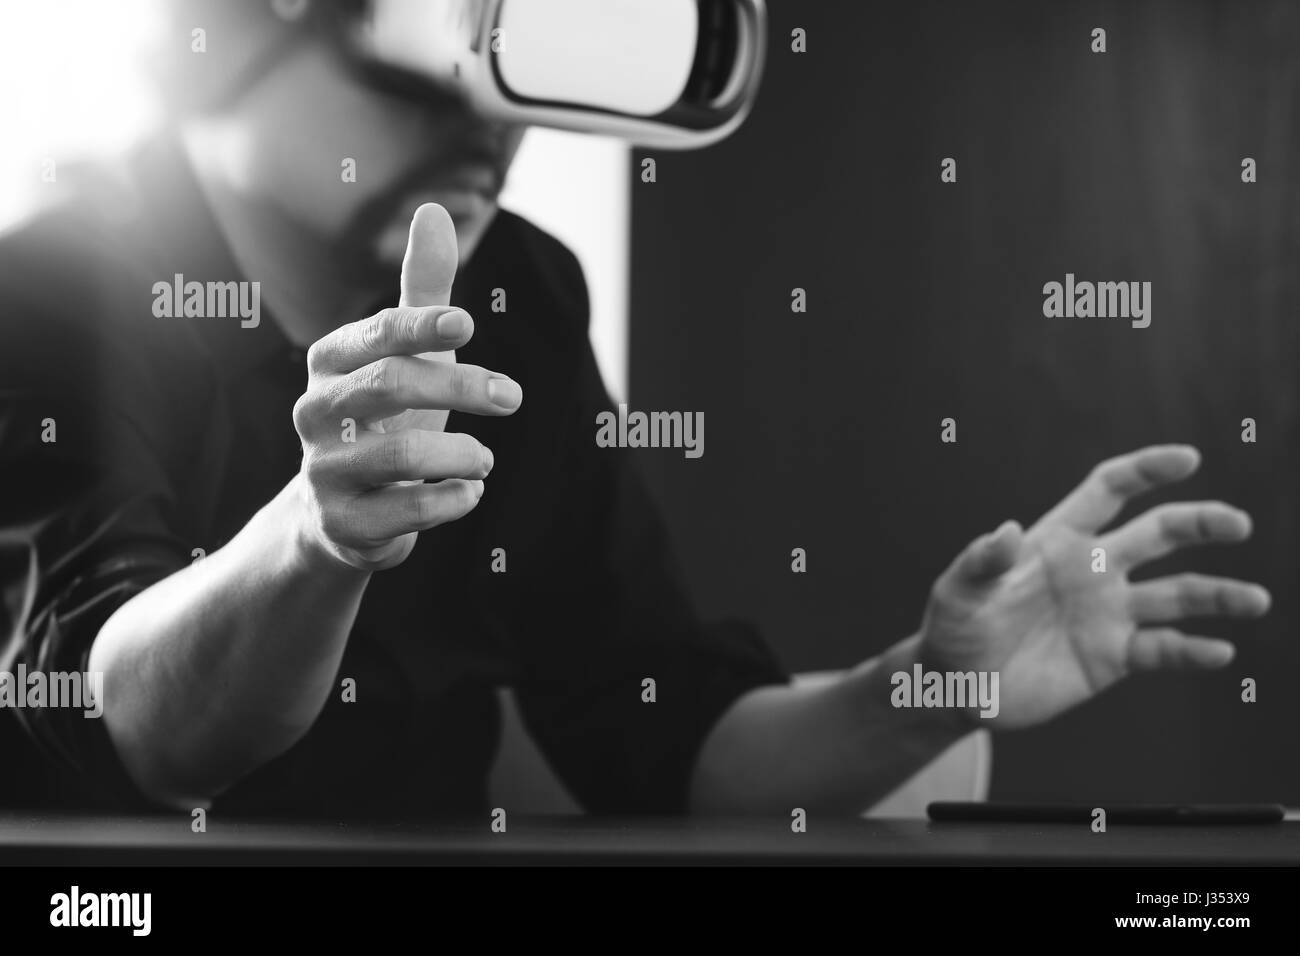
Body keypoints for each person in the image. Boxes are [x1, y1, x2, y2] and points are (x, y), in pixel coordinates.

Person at [0, 0, 1271, 817]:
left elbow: (661, 737)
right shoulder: (62, 280)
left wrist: (933, 687)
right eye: (424, 89)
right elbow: (136, 731)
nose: (489, 145)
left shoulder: (518, 293)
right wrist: (322, 535)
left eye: (515, 101)